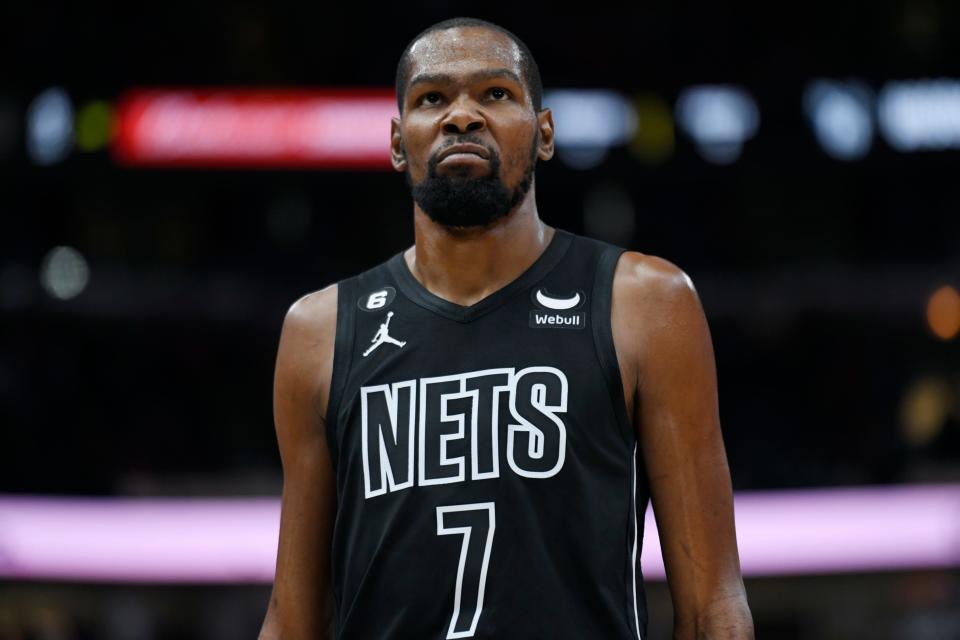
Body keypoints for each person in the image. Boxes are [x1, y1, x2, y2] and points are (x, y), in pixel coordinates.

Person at [259, 16, 753, 640]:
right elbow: (293, 616)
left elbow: (714, 605)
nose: (461, 116)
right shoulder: (318, 330)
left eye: (496, 93)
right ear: (395, 141)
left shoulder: (646, 302)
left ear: (544, 134)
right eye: (431, 98)